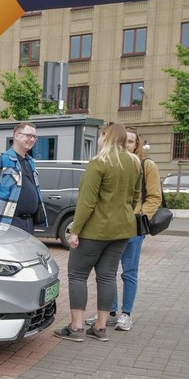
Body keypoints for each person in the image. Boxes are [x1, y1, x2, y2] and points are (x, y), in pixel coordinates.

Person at [55, 122, 140, 342]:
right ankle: (101, 328)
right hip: (122, 230)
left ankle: (76, 327)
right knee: (107, 276)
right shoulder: (133, 163)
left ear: (105, 136)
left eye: (101, 135)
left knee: (77, 274)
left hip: (95, 230)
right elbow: (134, 197)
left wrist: (75, 230)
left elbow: (87, 202)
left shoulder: (99, 162)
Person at [84, 126, 161, 331]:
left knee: (129, 271)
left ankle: (126, 313)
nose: (126, 144)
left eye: (131, 141)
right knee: (107, 271)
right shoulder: (112, 162)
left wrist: (139, 216)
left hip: (133, 227)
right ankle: (109, 312)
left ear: (137, 144)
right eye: (124, 140)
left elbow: (154, 196)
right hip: (112, 226)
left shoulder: (145, 165)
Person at [0, 122, 48, 234]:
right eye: (28, 135)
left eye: (34, 137)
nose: (32, 139)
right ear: (16, 136)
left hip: (29, 222)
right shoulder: (1, 159)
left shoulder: (30, 162)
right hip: (8, 223)